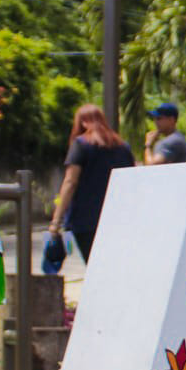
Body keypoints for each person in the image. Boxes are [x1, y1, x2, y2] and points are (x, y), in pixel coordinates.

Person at [50, 103, 135, 262]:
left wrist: (56, 220)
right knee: (112, 264)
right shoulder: (124, 147)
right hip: (117, 218)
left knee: (93, 264)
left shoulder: (80, 144)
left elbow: (70, 182)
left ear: (82, 122)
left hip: (85, 220)